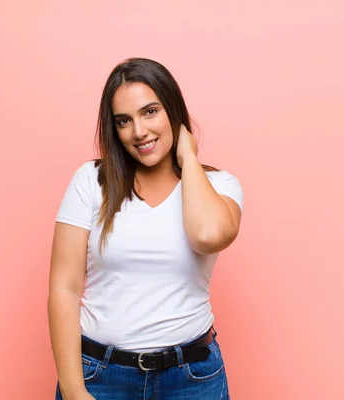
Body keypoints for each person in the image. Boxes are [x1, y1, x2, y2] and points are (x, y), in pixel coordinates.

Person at [48, 57, 244, 400]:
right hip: (101, 375)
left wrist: (188, 157)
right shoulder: (91, 182)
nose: (139, 132)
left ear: (173, 111)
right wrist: (75, 390)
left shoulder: (219, 185)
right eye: (124, 121)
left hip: (193, 378)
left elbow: (208, 236)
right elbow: (64, 288)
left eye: (150, 112)